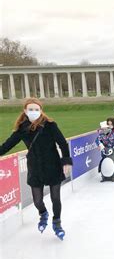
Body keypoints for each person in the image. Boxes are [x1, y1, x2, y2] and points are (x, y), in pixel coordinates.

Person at [0, 98, 72, 240]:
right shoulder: (22, 129)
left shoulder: (50, 125)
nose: (34, 112)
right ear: (25, 111)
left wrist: (66, 162)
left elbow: (63, 143)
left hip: (53, 166)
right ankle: (43, 213)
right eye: (30, 109)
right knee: (37, 200)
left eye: (36, 109)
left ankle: (57, 222)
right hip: (35, 167)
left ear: (41, 110)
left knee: (55, 198)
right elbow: (7, 145)